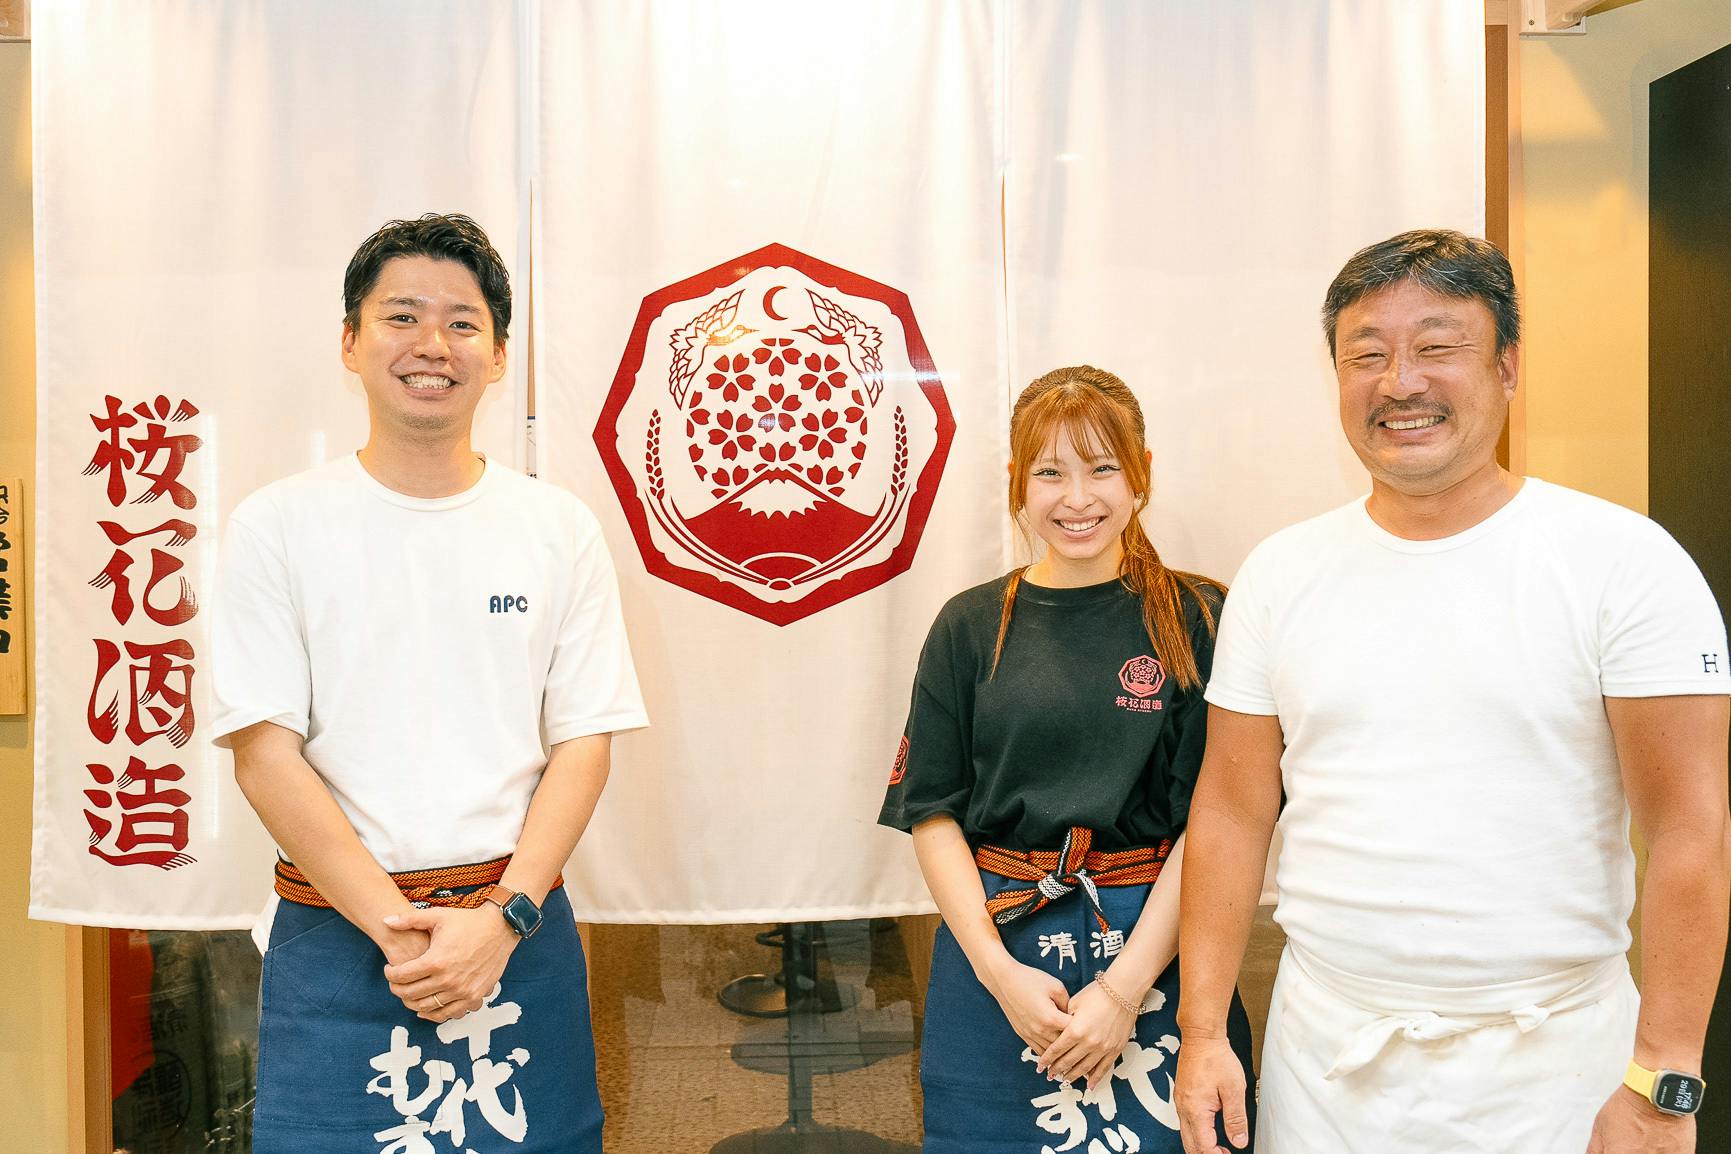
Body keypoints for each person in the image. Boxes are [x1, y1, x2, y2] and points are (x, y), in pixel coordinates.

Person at [1173, 229, 1730, 1154]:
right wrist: (1201, 1035)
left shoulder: (1624, 563)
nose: (1400, 383)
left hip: (1557, 1067)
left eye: (1436, 346)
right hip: (1327, 1063)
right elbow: (1232, 811)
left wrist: (1661, 1085)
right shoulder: (1279, 573)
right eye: (1366, 355)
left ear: (1506, 367)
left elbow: (1687, 830)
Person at [210, 213, 647, 1153]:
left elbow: (584, 742)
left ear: (498, 356)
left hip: (514, 928)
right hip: (340, 933)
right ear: (349, 341)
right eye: (401, 316)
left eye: (462, 323)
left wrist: (502, 920)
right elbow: (263, 753)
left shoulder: (555, 527)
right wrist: (398, 933)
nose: (431, 345)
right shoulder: (276, 526)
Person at [880, 365, 1256, 1153]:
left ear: (1141, 474)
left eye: (1101, 468)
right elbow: (932, 811)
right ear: (1016, 481)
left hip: (1156, 942)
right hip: (1000, 946)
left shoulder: (1199, 616)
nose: (1075, 498)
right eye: (1049, 472)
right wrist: (997, 974)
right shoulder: (969, 624)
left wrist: (1121, 994)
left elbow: (1216, 823)